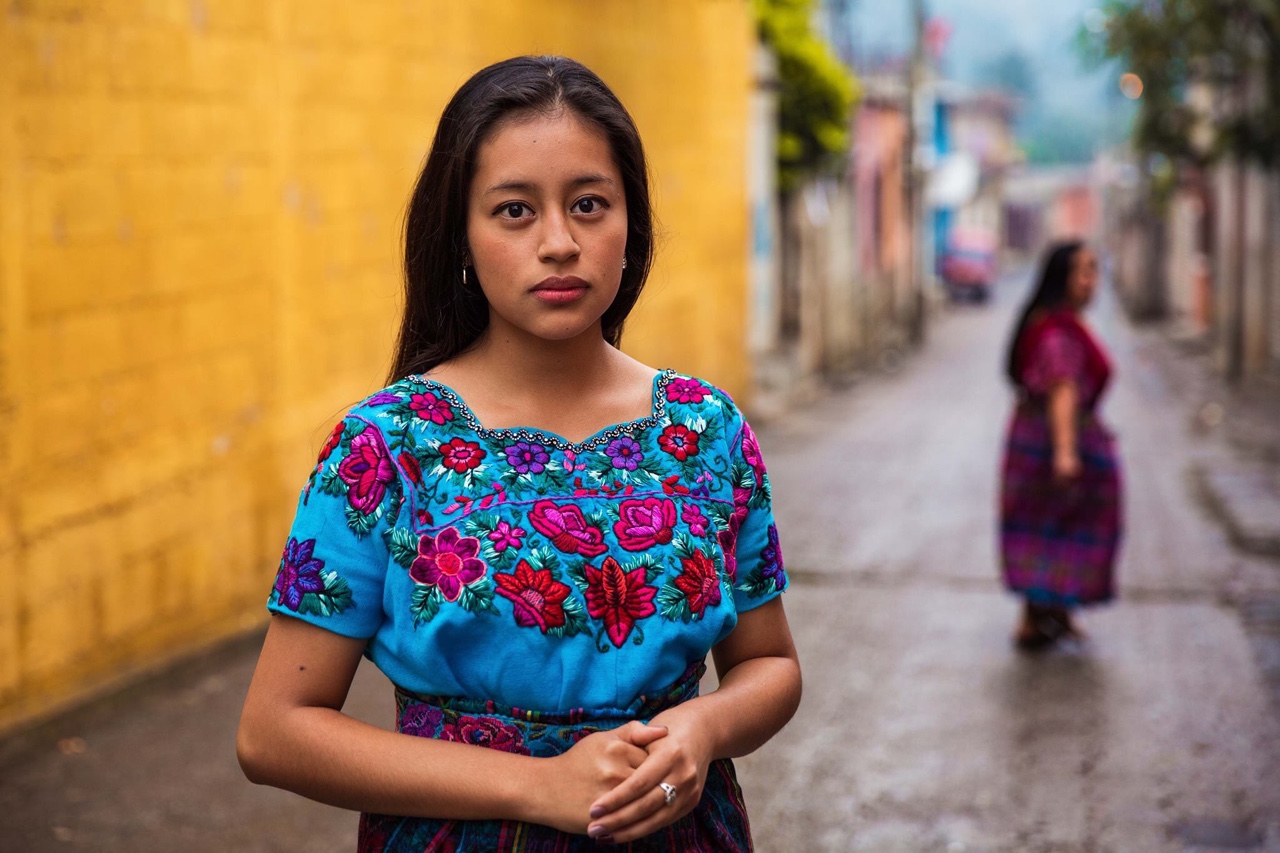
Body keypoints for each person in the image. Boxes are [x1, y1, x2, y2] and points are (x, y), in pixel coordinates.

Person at [236, 55, 801, 851]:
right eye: (514, 211)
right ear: (461, 235)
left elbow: (771, 664)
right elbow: (273, 731)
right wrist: (539, 786)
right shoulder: (387, 447)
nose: (560, 243)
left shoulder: (706, 431)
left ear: (631, 223)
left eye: (590, 204)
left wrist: (702, 729)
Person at [999, 241, 1122, 650]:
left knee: (1047, 526)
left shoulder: (1051, 321)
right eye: (1083, 271)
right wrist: (1067, 452)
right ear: (1061, 278)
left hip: (1034, 441)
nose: (1092, 281)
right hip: (1051, 443)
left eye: (1094, 270)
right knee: (1055, 526)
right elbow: (1063, 390)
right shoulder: (1058, 333)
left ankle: (1054, 611)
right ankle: (1038, 618)